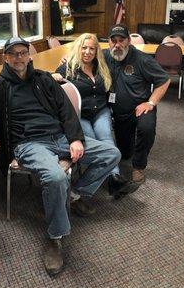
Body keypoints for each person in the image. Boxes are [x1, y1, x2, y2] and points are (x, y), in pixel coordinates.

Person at [0, 36, 120, 276]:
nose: (19, 58)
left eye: (23, 53)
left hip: (59, 137)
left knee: (111, 154)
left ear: (29, 55)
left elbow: (66, 111)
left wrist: (75, 138)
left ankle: (75, 195)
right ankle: (55, 238)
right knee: (55, 177)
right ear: (5, 58)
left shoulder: (44, 79)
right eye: (13, 54)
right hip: (29, 144)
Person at [52, 33, 138, 199]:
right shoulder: (67, 67)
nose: (87, 52)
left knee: (106, 137)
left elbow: (120, 53)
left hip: (101, 110)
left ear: (97, 50)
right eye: (84, 47)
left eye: (92, 48)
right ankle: (110, 177)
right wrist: (53, 75)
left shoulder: (101, 64)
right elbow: (50, 82)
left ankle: (114, 178)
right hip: (80, 114)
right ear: (78, 48)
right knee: (95, 142)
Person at [103, 24, 170, 184]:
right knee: (125, 153)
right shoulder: (104, 56)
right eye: (114, 41)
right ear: (109, 42)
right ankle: (130, 148)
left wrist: (151, 103)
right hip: (119, 112)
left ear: (129, 41)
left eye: (122, 40)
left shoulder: (142, 59)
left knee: (146, 129)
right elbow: (82, 59)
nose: (117, 45)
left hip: (141, 107)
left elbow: (164, 80)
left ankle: (138, 167)